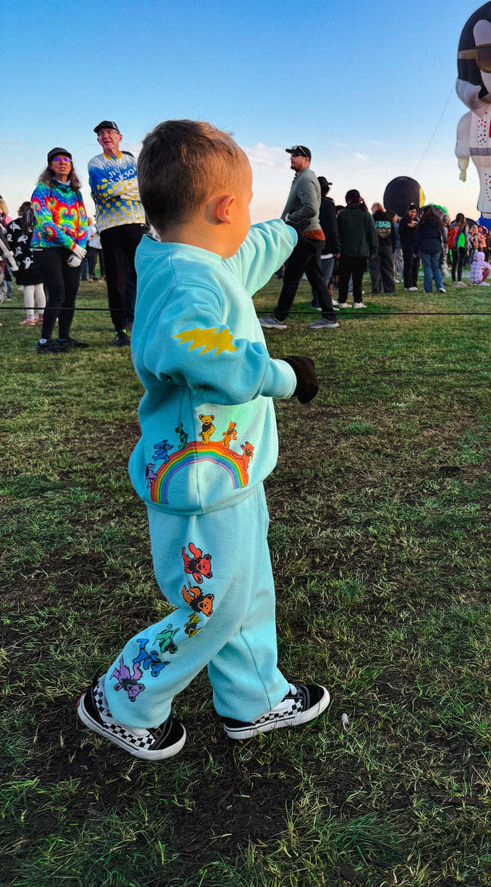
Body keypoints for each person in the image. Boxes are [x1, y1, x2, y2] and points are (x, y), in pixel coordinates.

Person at [76, 119, 330, 760]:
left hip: (229, 473)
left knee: (247, 587)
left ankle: (253, 697)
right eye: (246, 209)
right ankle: (123, 698)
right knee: (209, 604)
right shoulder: (188, 283)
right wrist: (278, 374)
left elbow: (239, 257)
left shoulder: (182, 256)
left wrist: (287, 226)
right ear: (225, 208)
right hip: (197, 482)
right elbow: (196, 346)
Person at [260, 146, 338, 329]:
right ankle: (329, 318)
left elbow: (311, 208)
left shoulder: (306, 178)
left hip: (307, 235)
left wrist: (289, 219)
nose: (292, 158)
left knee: (291, 277)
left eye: (296, 155)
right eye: (291, 155)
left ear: (307, 159)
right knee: (316, 278)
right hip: (312, 235)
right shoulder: (303, 178)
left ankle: (279, 318)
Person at [88, 120, 147, 347]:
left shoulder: (132, 160)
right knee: (117, 278)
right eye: (101, 134)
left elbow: (144, 188)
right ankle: (120, 326)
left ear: (119, 137)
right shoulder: (96, 162)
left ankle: (141, 319)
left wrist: (123, 190)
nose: (106, 136)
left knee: (141, 274)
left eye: (110, 132)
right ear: (98, 140)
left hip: (136, 223)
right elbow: (103, 190)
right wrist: (130, 188)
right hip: (111, 227)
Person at [31, 149, 90, 352]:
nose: (63, 163)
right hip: (47, 248)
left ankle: (64, 337)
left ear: (71, 166)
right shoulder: (43, 189)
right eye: (57, 160)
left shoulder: (76, 193)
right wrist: (72, 245)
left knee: (71, 294)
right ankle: (45, 341)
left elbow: (83, 221)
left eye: (67, 160)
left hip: (71, 250)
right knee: (57, 292)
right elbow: (46, 224)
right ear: (50, 165)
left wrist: (79, 248)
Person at [335, 189, 378, 308]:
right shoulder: (366, 214)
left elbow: (337, 234)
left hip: (345, 252)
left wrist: (337, 249)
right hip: (361, 252)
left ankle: (342, 301)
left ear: (347, 200)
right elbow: (372, 234)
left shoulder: (342, 214)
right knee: (357, 279)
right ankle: (357, 301)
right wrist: (374, 250)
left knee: (344, 278)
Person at [7, 201, 45, 325]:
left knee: (28, 288)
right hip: (39, 259)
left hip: (22, 262)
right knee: (39, 287)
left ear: (20, 211)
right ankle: (42, 316)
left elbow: (9, 244)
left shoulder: (13, 225)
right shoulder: (38, 224)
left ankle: (30, 318)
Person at [310, 176, 339, 310]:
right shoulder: (328, 204)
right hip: (326, 247)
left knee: (315, 278)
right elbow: (332, 228)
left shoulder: (308, 203)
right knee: (325, 279)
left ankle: (317, 301)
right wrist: (336, 248)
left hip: (311, 246)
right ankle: (320, 303)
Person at [414, 206, 447, 293]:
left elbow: (417, 237)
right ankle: (440, 286)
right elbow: (443, 235)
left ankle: (428, 289)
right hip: (436, 246)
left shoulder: (422, 223)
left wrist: (415, 250)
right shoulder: (439, 222)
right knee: (436, 267)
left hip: (424, 247)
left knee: (427, 268)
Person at [369, 203, 396, 293]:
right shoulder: (388, 218)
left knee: (375, 269)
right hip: (387, 246)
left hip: (375, 246)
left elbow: (370, 234)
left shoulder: (372, 218)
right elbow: (393, 234)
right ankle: (390, 289)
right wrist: (393, 247)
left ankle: (376, 289)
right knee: (388, 268)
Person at [398, 205, 420, 290]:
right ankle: (408, 284)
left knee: (416, 265)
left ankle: (414, 283)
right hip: (407, 245)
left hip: (415, 245)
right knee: (408, 264)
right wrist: (408, 227)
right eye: (412, 212)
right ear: (408, 211)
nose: (413, 214)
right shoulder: (404, 220)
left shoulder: (417, 220)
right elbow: (400, 232)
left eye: (414, 212)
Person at [449, 213, 469, 286]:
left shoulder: (452, 225)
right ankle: (459, 280)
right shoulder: (463, 226)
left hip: (453, 245)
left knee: (454, 263)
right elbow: (466, 237)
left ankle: (453, 280)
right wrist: (467, 248)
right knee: (460, 264)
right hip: (461, 246)